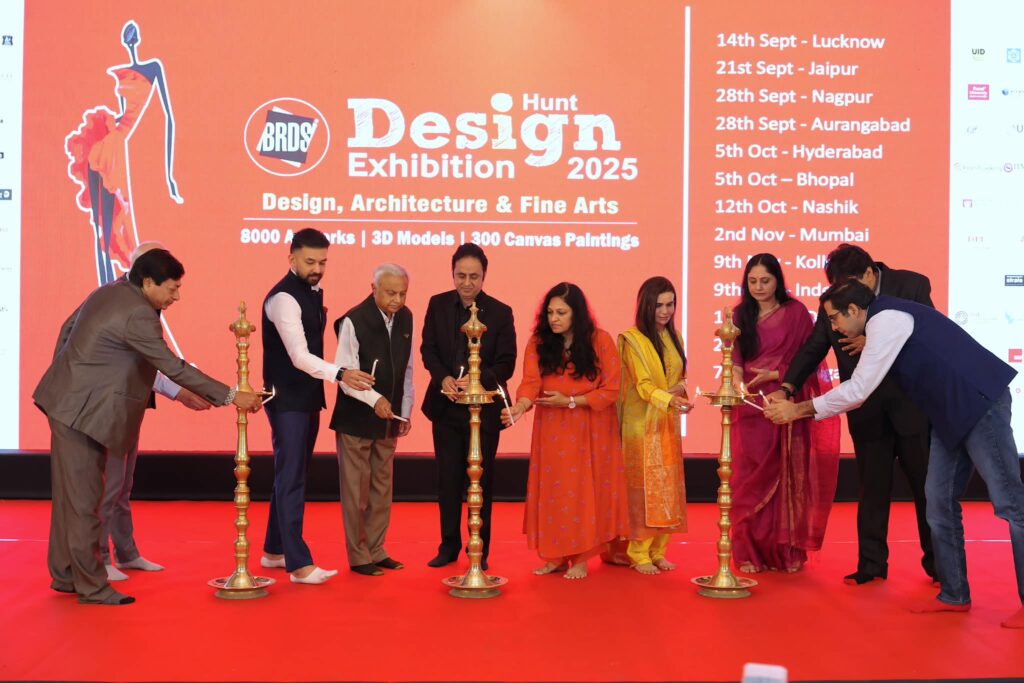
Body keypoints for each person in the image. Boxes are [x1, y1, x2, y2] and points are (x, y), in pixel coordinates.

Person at [764, 280, 1024, 629]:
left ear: (854, 310)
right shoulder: (882, 322)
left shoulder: (887, 319)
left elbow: (859, 390)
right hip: (948, 413)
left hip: (979, 403)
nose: (834, 328)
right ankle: (954, 594)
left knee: (1011, 504)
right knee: (937, 503)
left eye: (834, 318)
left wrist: (799, 410)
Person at [33, 249, 262, 605]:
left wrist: (69, 375)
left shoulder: (110, 290)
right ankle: (92, 587)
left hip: (69, 403)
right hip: (81, 411)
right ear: (149, 282)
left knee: (71, 498)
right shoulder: (138, 313)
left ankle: (65, 575)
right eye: (172, 288)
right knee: (85, 502)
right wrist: (232, 394)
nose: (177, 296)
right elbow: (171, 365)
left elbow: (67, 329)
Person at [767, 244, 935, 585]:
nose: (845, 295)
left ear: (870, 273)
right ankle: (871, 565)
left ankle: (940, 566)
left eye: (851, 285)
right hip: (865, 409)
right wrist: (787, 387)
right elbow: (814, 348)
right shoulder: (833, 302)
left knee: (927, 489)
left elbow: (930, 338)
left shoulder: (912, 285)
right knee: (872, 487)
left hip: (911, 406)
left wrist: (876, 340)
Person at [259, 228, 373, 585]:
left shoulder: (309, 292)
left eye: (323, 262)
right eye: (310, 261)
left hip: (305, 396)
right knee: (291, 477)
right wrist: (341, 374)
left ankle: (274, 550)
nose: (317, 269)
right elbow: (298, 356)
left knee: (290, 474)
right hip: (287, 398)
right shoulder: (283, 298)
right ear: (291, 258)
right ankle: (298, 565)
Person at [503, 283, 630, 579]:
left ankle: (582, 556)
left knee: (585, 491)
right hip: (552, 428)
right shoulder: (539, 342)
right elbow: (530, 382)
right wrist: (520, 406)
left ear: (577, 314)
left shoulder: (600, 340)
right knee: (555, 490)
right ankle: (556, 556)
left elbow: (612, 388)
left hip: (592, 427)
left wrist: (572, 401)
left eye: (561, 312)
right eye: (549, 312)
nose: (554, 319)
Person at [730, 254, 840, 574]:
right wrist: (736, 384)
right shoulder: (740, 314)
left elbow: (809, 361)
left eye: (765, 280)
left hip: (784, 402)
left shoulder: (796, 314)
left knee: (786, 476)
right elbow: (735, 360)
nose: (759, 287)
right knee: (748, 480)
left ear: (778, 280)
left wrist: (777, 375)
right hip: (751, 407)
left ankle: (784, 552)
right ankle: (748, 552)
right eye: (752, 281)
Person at [421, 244, 517, 570]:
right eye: (460, 275)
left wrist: (476, 381)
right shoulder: (437, 305)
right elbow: (428, 350)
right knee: (447, 481)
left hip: (484, 410)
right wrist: (444, 378)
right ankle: (448, 546)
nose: (467, 282)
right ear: (452, 274)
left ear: (484, 276)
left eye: (473, 276)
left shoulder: (501, 312)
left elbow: (506, 363)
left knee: (482, 481)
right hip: (446, 407)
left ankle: (481, 549)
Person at [330, 264, 413, 577]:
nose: (397, 300)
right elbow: (344, 374)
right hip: (355, 418)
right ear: (374, 288)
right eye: (390, 293)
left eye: (402, 293)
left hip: (389, 417)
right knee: (357, 491)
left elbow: (407, 368)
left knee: (381, 488)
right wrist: (374, 399)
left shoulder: (406, 317)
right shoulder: (354, 320)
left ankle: (377, 549)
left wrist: (406, 408)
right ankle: (358, 554)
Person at [611, 277, 691, 575]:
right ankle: (637, 552)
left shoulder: (675, 337)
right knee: (641, 489)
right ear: (646, 305)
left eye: (670, 304)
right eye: (659, 305)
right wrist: (670, 399)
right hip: (639, 426)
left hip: (666, 422)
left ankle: (658, 551)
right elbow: (643, 385)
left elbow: (679, 378)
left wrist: (680, 394)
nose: (665, 311)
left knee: (667, 487)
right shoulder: (631, 340)